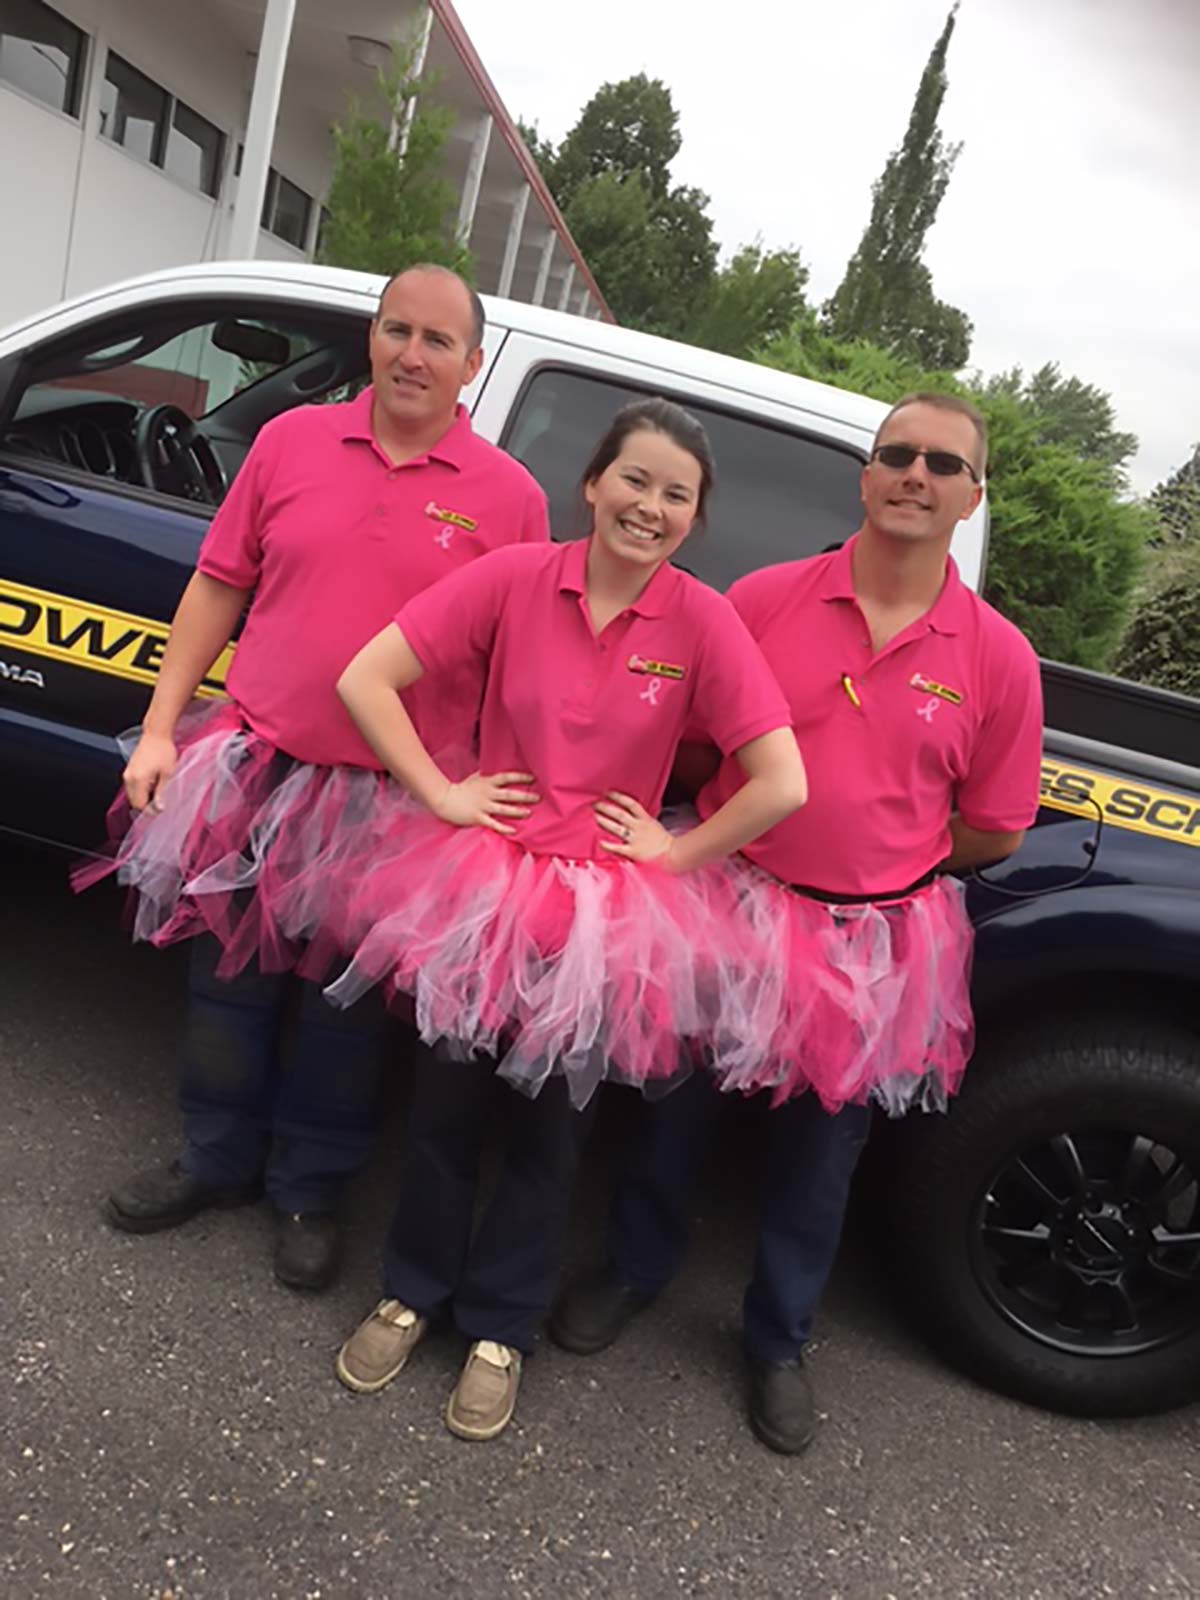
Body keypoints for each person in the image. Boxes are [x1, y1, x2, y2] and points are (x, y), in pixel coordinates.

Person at [551, 391, 1044, 1456]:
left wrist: (887, 863)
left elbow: (996, 829)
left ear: (971, 495)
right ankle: (632, 1271)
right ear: (864, 479)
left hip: (869, 948)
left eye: (942, 464)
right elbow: (681, 741)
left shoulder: (999, 659)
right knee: (672, 1115)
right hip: (730, 902)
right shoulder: (763, 601)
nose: (916, 475)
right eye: (897, 455)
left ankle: (777, 1340)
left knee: (819, 1159)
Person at [326, 398, 809, 1441]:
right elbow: (367, 677)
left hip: (605, 918)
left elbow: (782, 780)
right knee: (448, 1108)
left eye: (677, 494)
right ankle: (412, 1290)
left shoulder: (702, 620)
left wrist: (676, 852)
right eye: (634, 479)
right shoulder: (512, 576)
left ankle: (500, 1327)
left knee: (553, 1130)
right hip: (485, 886)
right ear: (592, 484)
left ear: (693, 519)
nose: (651, 505)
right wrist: (441, 792)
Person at [74, 264, 548, 1291]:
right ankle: (212, 1160)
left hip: (391, 802)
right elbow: (216, 587)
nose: (412, 354)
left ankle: (309, 1191)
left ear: (471, 365)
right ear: (371, 339)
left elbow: (520, 670)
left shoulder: (509, 499)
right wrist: (160, 728)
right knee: (227, 985)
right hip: (252, 766)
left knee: (342, 1018)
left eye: (438, 340)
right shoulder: (289, 441)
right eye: (396, 330)